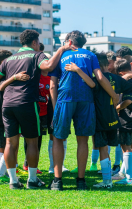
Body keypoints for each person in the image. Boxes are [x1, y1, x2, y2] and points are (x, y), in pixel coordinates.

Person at [0, 29, 74, 189]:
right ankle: (32, 180)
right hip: (27, 103)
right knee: (32, 142)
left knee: (10, 143)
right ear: (35, 42)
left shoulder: (10, 58)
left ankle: (13, 181)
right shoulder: (36, 55)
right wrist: (61, 50)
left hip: (7, 105)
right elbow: (48, 66)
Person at [48, 30, 119, 191]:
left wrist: (55, 108)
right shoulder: (90, 55)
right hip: (86, 99)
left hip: (65, 98)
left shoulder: (61, 55)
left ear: (69, 42)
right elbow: (100, 78)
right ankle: (81, 181)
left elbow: (53, 85)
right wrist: (114, 95)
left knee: (58, 139)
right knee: (83, 140)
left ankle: (57, 181)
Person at [92, 52, 132, 188]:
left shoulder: (94, 80)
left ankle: (111, 181)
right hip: (115, 120)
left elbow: (128, 98)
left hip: (104, 118)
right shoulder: (118, 79)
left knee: (108, 149)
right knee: (130, 147)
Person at [0, 50, 30, 185]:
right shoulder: (4, 76)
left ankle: (3, 173)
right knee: (7, 145)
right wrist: (15, 77)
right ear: (3, 62)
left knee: (0, 146)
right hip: (2, 116)